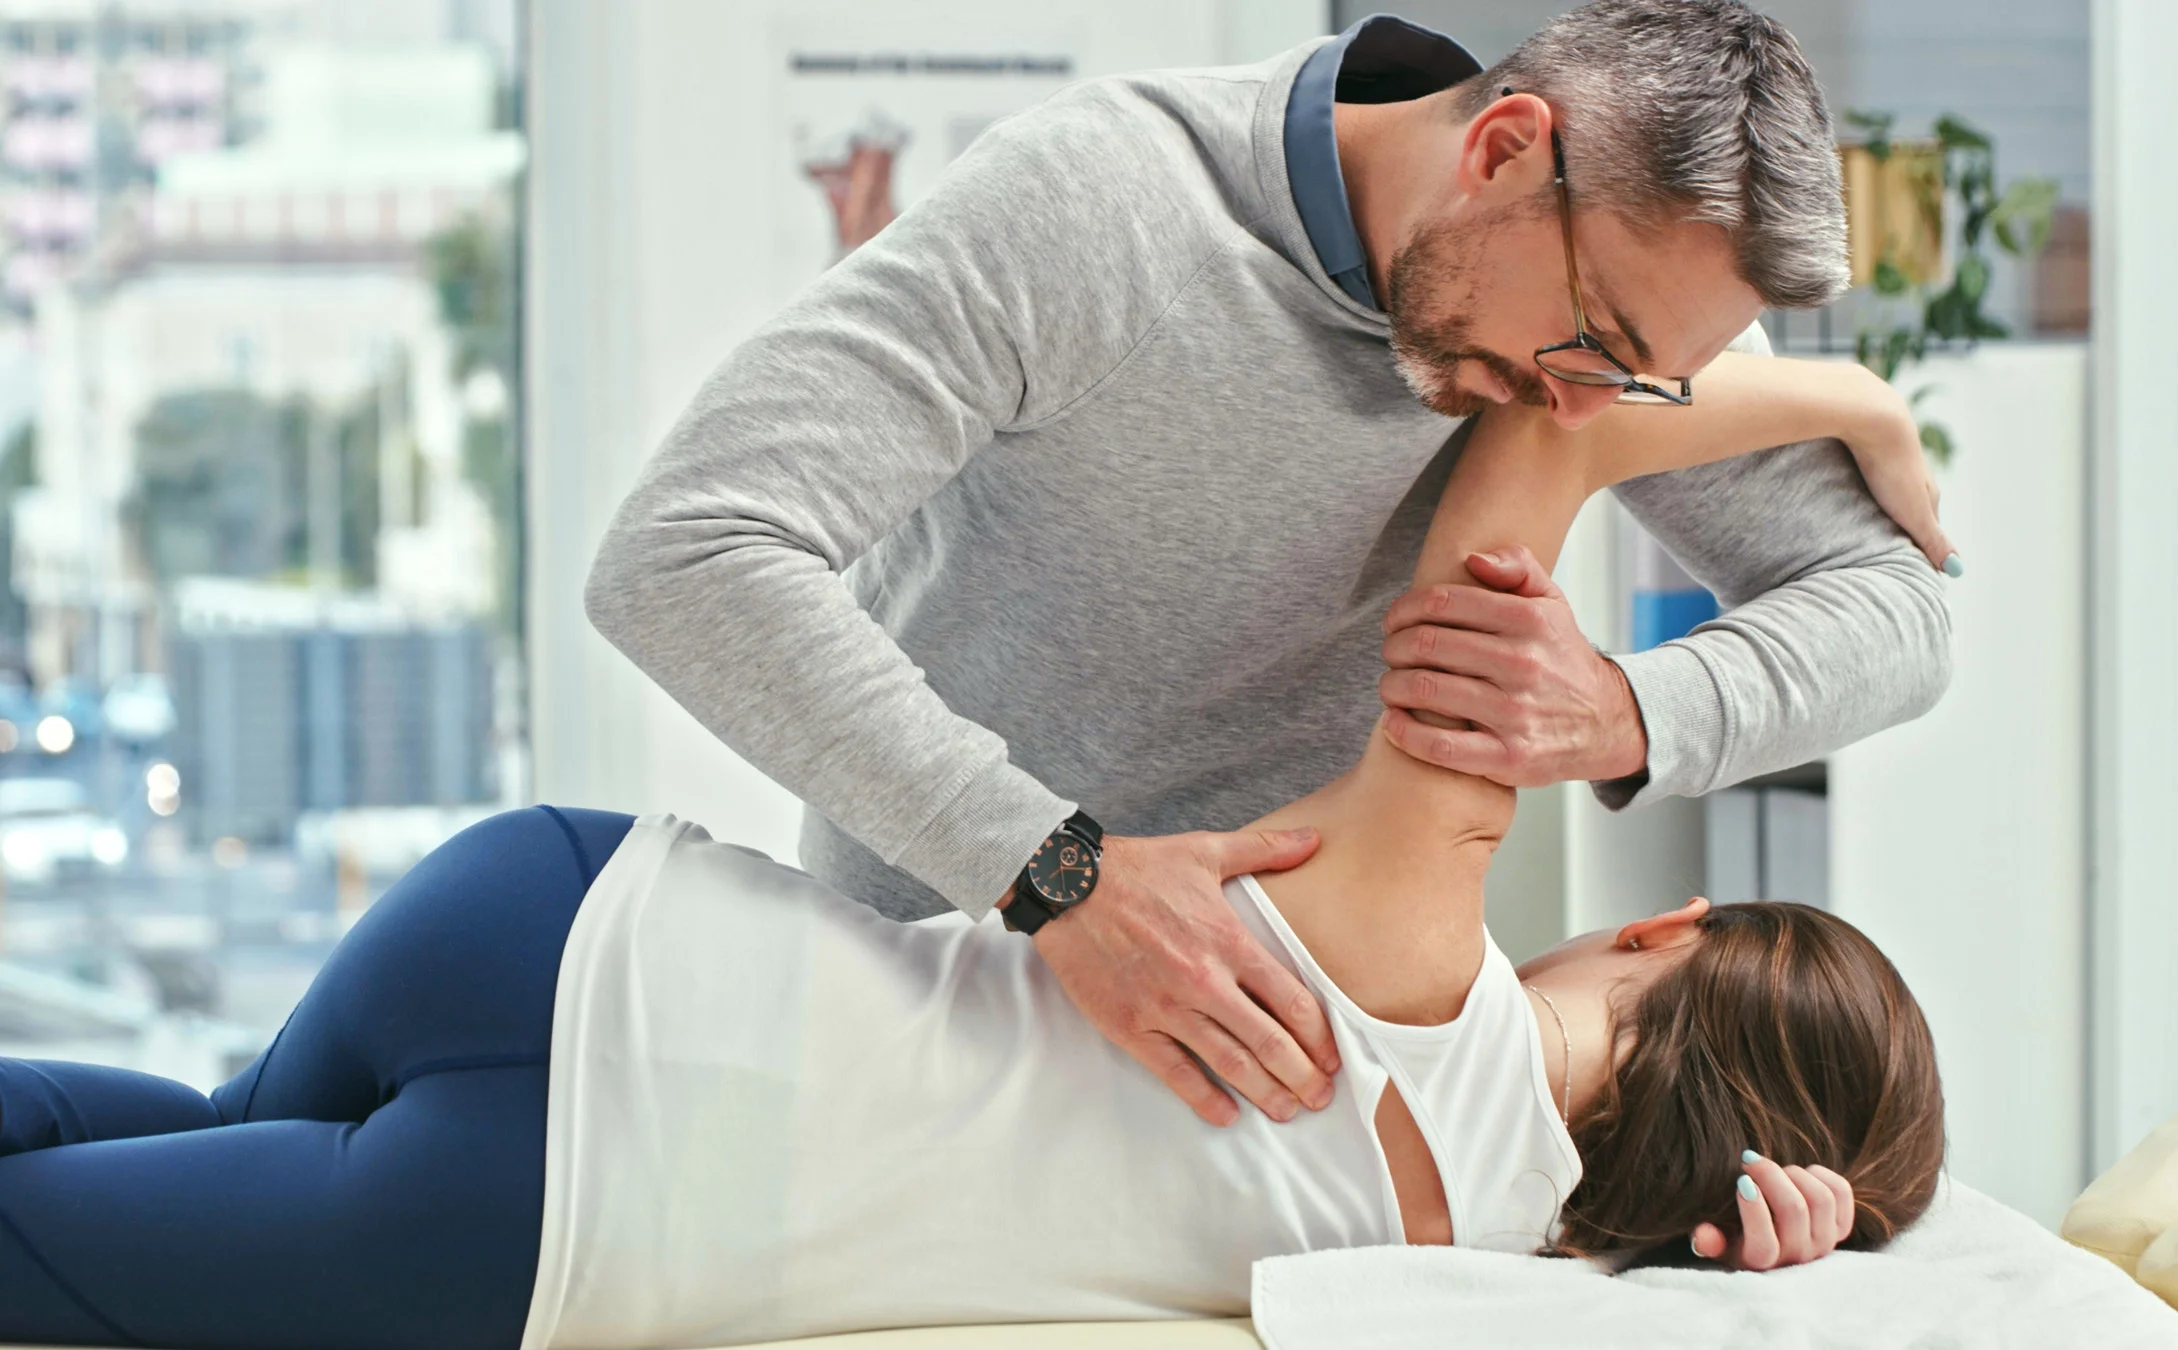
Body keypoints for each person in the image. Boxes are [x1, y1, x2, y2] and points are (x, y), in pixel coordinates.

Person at [0, 351, 1946, 1350]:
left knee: (181, 1129)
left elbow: (1562, 425)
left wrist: (1853, 392)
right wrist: (1771, 1258)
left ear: (1674, 924)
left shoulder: (1418, 918)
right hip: (563, 1197)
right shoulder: (1494, 1279)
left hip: (568, 908)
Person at [582, 1, 1955, 1133]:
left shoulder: (1624, 317)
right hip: (925, 1025)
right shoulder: (1104, 207)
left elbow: (1902, 617)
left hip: (1269, 1099)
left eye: (1647, 382)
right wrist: (1053, 873)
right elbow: (688, 547)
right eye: (1598, 344)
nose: (1585, 413)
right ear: (1503, 149)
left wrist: (1628, 710)